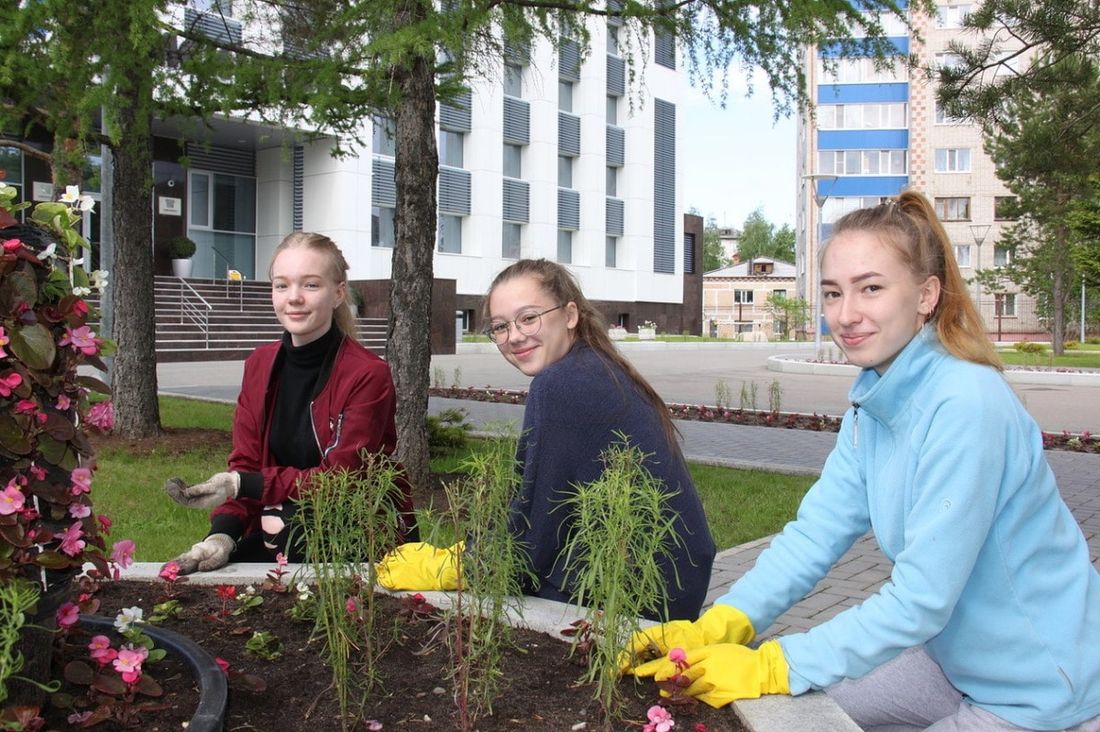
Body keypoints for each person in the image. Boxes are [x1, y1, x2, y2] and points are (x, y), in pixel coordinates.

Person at [628, 192, 1100, 731]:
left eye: (870, 288)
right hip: (950, 662)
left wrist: (777, 663)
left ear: (926, 295)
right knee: (777, 716)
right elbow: (814, 535)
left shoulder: (967, 404)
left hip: (1041, 694)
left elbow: (920, 599)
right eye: (833, 293)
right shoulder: (874, 405)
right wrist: (724, 623)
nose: (846, 315)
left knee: (786, 694)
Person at [376, 258, 716, 620]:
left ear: (570, 315)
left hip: (633, 598)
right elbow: (548, 504)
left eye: (528, 317)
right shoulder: (594, 365)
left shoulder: (561, 383)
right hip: (670, 583)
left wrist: (460, 566)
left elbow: (534, 533)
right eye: (500, 327)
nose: (515, 336)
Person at [163, 232, 416, 574]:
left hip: (359, 531)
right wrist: (221, 535)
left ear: (339, 293)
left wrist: (243, 485)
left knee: (280, 527)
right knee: (228, 560)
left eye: (310, 285)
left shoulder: (368, 374)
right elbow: (246, 462)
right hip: (283, 526)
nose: (293, 298)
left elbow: (343, 478)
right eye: (281, 285)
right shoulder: (259, 364)